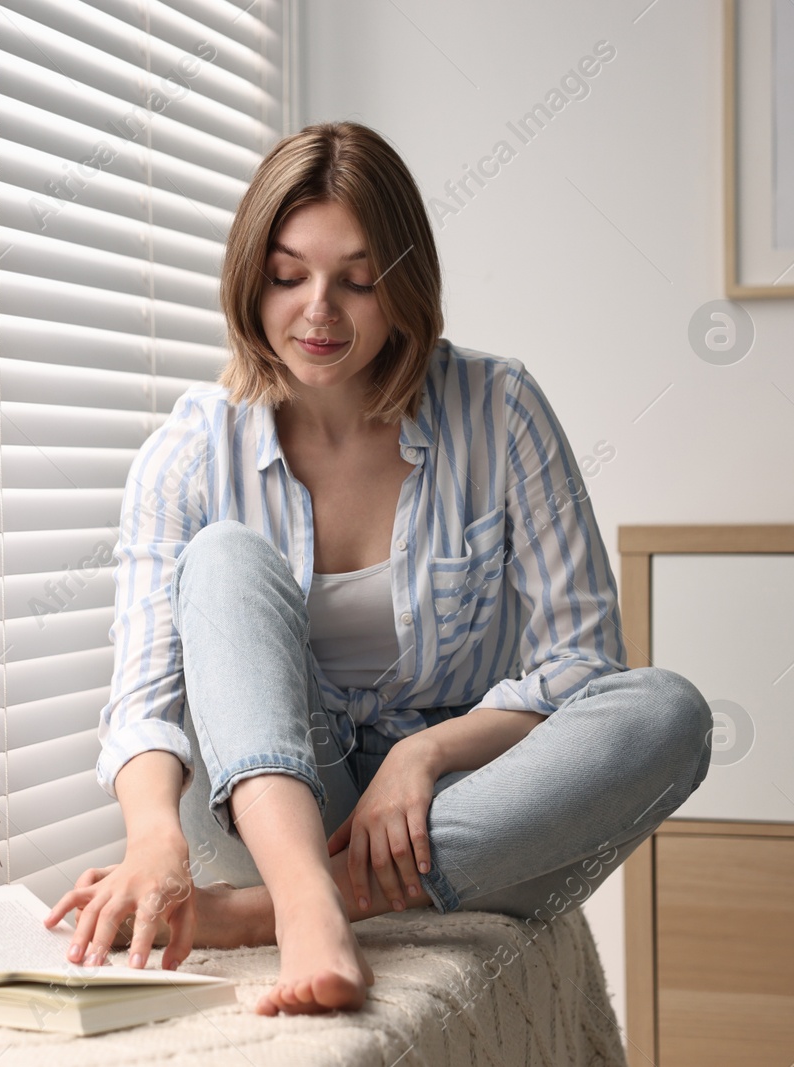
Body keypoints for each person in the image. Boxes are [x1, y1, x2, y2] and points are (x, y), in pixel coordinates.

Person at [41, 121, 713, 1017]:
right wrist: (155, 836)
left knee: (670, 709)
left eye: (357, 281)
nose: (318, 310)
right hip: (267, 806)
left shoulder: (499, 407)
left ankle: (264, 913)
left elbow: (584, 664)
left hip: (446, 817)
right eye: (288, 276)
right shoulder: (191, 449)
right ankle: (300, 892)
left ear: (403, 289)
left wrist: (425, 754)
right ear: (251, 278)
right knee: (223, 556)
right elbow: (146, 699)